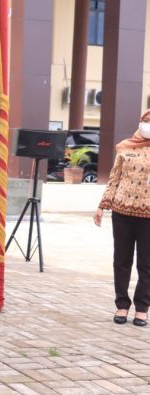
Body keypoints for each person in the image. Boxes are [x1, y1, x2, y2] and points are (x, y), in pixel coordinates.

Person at [94, 109, 150, 327]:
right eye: (145, 121)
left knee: (146, 264)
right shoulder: (125, 148)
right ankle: (122, 305)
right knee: (121, 261)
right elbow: (114, 179)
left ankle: (142, 308)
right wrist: (102, 206)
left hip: (148, 216)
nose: (147, 124)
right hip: (122, 212)